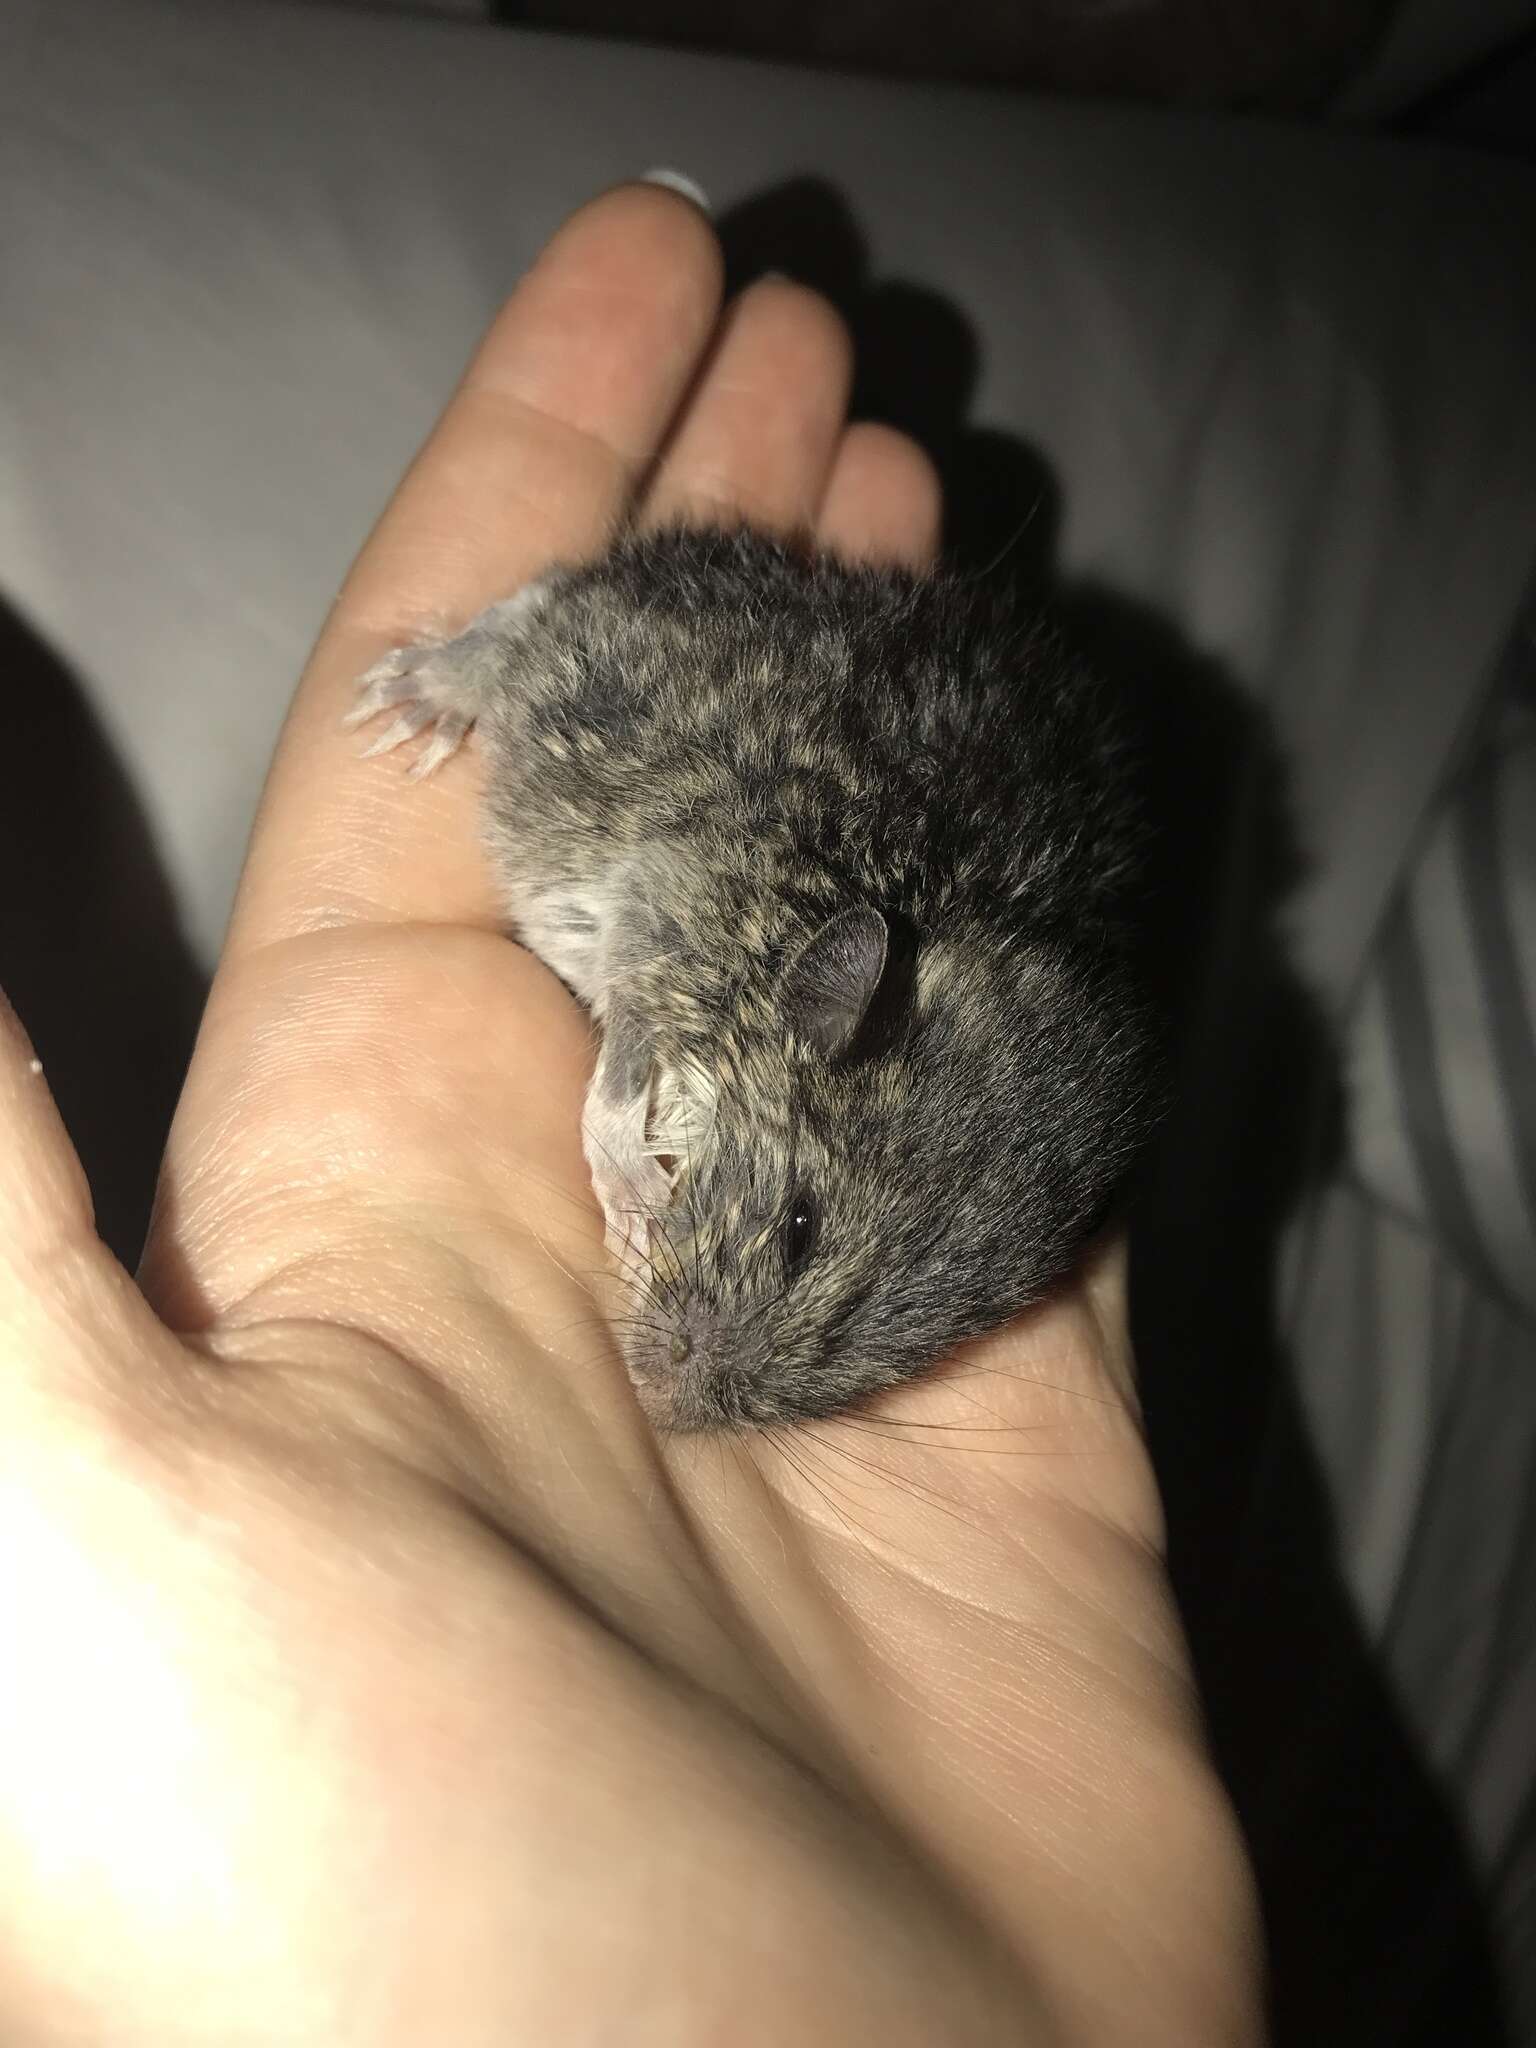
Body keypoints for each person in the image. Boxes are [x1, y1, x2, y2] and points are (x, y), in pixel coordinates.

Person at [0, 182, 1262, 2043]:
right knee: (594, 671)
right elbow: (655, 713)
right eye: (811, 1252)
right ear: (825, 1005)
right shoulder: (718, 811)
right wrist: (492, 657)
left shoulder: (929, 1099)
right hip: (794, 770)